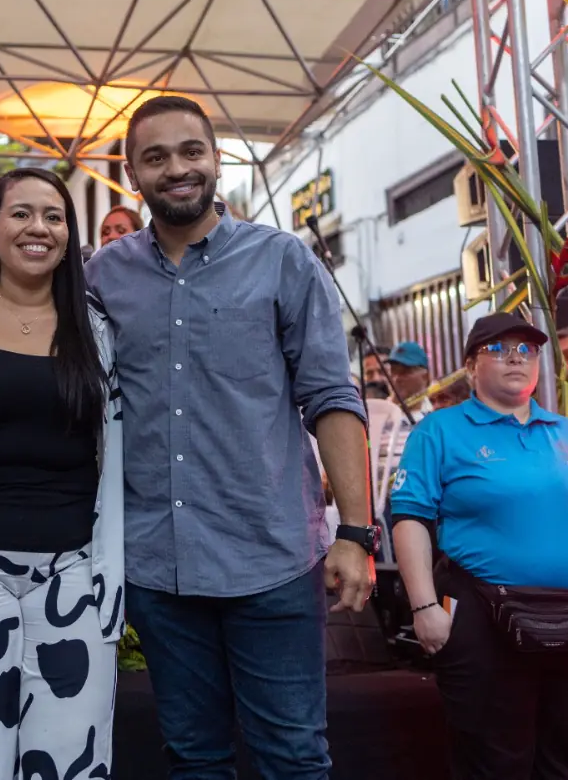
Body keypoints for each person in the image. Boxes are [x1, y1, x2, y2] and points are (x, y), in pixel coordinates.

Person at [85, 95, 374, 780]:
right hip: (159, 566)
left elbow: (331, 397)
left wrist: (356, 532)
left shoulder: (282, 261)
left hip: (269, 558)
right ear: (133, 173)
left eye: (191, 151)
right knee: (193, 759)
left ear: (216, 160)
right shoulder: (101, 276)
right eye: (155, 157)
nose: (177, 169)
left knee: (293, 760)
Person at [0, 168, 125, 778]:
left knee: (71, 766)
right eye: (21, 214)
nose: (38, 227)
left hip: (77, 578)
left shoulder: (99, 330)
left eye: (53, 216)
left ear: (69, 236)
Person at [391, 312, 568, 780]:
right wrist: (425, 605)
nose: (515, 359)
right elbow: (410, 519)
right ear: (470, 367)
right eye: (499, 350)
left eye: (527, 350)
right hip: (483, 617)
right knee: (495, 760)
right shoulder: (441, 431)